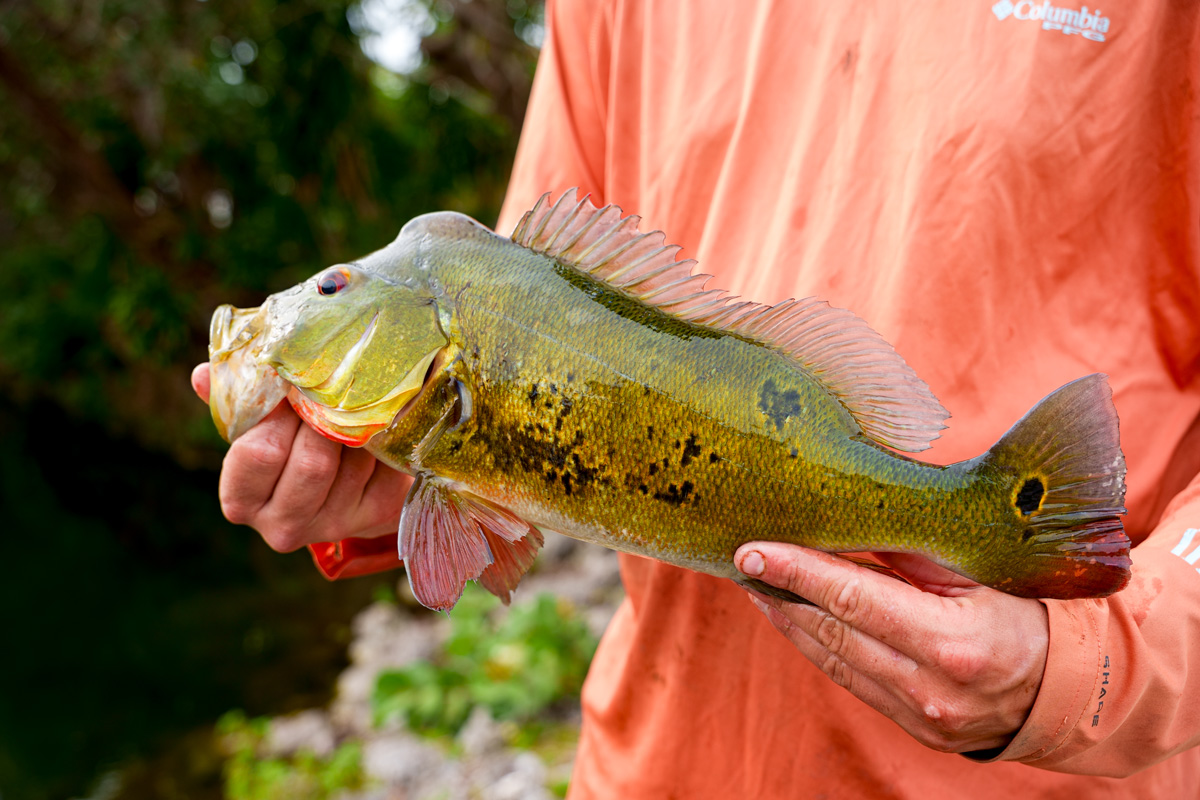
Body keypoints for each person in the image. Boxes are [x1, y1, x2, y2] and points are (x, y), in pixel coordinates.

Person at [192, 1, 1200, 796]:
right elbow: (523, 306)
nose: (310, 298)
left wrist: (1086, 667)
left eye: (333, 286)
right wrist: (385, 486)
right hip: (652, 763)